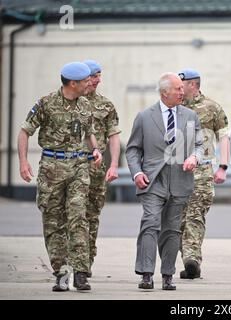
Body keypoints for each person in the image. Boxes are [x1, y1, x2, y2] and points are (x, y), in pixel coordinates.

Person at [17, 62, 103, 291]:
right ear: (72, 83)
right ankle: (61, 273)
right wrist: (23, 162)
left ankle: (81, 272)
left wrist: (95, 150)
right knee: (53, 222)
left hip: (78, 167)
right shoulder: (46, 104)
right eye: (86, 81)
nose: (90, 84)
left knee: (78, 217)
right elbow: (25, 131)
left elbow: (89, 134)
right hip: (51, 169)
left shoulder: (86, 105)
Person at [126, 72, 203, 291]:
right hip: (152, 180)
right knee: (150, 222)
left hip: (180, 179)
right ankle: (146, 273)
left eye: (182, 88)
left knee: (171, 229)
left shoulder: (190, 116)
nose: (182, 92)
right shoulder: (144, 117)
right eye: (178, 88)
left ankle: (167, 275)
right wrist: (136, 172)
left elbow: (199, 144)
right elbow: (132, 150)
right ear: (164, 92)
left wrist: (194, 157)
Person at [177, 68, 230, 279]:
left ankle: (192, 260)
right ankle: (187, 257)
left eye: (183, 85)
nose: (179, 90)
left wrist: (223, 167)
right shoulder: (173, 107)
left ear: (194, 85)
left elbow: (224, 136)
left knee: (195, 215)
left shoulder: (212, 107)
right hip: (176, 171)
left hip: (202, 170)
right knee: (179, 219)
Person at [83, 60, 121, 278]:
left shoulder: (105, 105)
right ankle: (69, 259)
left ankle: (86, 260)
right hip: (68, 166)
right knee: (70, 215)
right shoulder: (67, 101)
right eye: (95, 75)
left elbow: (114, 136)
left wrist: (114, 164)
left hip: (96, 169)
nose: (99, 79)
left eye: (99, 75)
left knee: (92, 215)